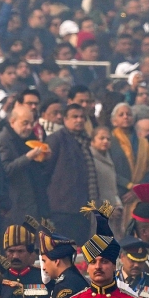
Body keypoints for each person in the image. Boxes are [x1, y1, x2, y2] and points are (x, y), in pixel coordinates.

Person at [45, 103, 96, 243]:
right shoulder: (56, 139)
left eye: (82, 117)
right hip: (63, 208)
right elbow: (44, 172)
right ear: (65, 119)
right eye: (74, 117)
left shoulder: (85, 140)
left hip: (83, 207)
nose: (79, 120)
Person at [0, 103, 48, 226]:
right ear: (12, 122)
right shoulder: (3, 140)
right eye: (25, 123)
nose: (29, 127)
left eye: (31, 123)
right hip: (15, 203)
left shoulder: (29, 137)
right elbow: (6, 170)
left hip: (33, 200)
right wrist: (28, 157)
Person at [38, 221, 88, 298]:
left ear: (57, 261)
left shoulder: (65, 286)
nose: (43, 267)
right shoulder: (72, 279)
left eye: (45, 261)